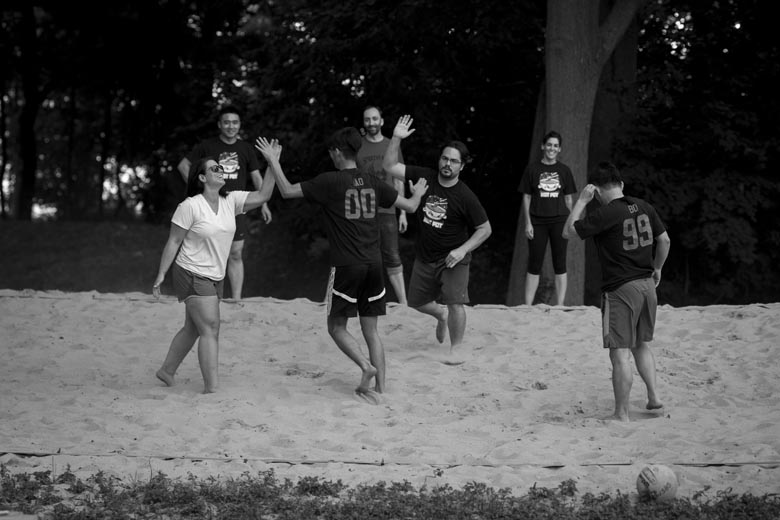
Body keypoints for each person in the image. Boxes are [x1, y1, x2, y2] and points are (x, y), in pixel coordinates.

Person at [254, 128, 428, 403]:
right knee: (371, 331)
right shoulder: (372, 180)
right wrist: (417, 193)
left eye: (331, 152)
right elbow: (409, 206)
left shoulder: (329, 181)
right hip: (374, 265)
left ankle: (365, 366)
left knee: (335, 327)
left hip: (347, 266)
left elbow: (286, 190)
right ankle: (381, 390)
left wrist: (273, 160)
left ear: (337, 152)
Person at [153, 153, 278, 393]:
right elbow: (174, 241)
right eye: (214, 169)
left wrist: (272, 163)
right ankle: (211, 388)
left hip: (215, 274)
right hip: (191, 271)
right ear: (202, 178)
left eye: (221, 168)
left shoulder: (231, 200)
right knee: (210, 328)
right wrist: (161, 274)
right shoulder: (190, 206)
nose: (221, 171)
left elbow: (264, 195)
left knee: (193, 328)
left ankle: (167, 371)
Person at [563, 161, 671, 422]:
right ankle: (654, 396)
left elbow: (568, 231)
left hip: (620, 289)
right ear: (621, 184)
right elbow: (664, 240)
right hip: (647, 285)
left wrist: (581, 201)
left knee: (620, 352)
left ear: (597, 191)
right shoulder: (644, 206)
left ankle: (621, 413)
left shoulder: (605, 213)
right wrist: (657, 268)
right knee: (641, 344)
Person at [383, 115, 492, 362]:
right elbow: (389, 166)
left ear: (462, 166)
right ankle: (440, 316)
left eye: (454, 161)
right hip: (425, 256)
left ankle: (457, 348)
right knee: (415, 303)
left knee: (455, 303)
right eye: (445, 158)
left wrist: (462, 250)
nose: (447, 164)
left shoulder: (466, 196)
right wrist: (396, 138)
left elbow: (485, 229)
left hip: (453, 258)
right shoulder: (425, 176)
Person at [177, 105, 273, 301]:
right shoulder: (207, 147)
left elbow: (256, 177)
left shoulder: (246, 149)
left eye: (235, 122)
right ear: (219, 124)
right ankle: (205, 294)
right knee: (207, 249)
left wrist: (263, 204)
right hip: (210, 205)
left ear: (240, 125)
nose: (231, 126)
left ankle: (236, 299)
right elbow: (183, 166)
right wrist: (199, 188)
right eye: (227, 122)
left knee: (236, 253)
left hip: (235, 205)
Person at [356, 105, 409, 304]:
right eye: (367, 119)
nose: (371, 123)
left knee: (392, 255)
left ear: (382, 121)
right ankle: (360, 299)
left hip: (388, 209)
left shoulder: (391, 145)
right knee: (360, 256)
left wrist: (403, 213)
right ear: (364, 122)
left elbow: (399, 179)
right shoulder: (357, 147)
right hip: (362, 211)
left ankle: (403, 303)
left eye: (374, 119)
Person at [518, 131, 577, 306]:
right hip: (537, 222)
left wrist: (570, 222)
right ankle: (528, 305)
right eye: (549, 145)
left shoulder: (564, 170)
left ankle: (560, 305)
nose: (552, 148)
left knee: (560, 263)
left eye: (555, 146)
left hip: (560, 221)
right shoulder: (532, 169)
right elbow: (526, 197)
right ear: (543, 146)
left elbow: (568, 199)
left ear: (560, 149)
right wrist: (528, 223)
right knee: (534, 263)